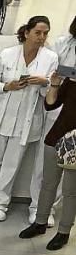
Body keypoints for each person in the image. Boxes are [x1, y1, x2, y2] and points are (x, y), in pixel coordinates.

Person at [0, 16, 56, 222]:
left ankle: (1, 204)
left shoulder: (50, 58)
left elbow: (51, 93)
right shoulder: (7, 54)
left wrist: (44, 82)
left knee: (12, 165)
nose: (41, 37)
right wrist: (7, 86)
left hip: (26, 120)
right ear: (27, 32)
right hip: (2, 116)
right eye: (38, 32)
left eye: (45, 33)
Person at [19, 69, 76, 251]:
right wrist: (55, 83)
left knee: (70, 190)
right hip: (57, 135)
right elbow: (50, 104)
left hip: (74, 142)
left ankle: (64, 232)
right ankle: (40, 222)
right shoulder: (72, 80)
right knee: (48, 183)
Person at [28, 15, 76, 227]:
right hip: (57, 107)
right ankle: (37, 208)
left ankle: (53, 212)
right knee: (45, 165)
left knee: (69, 175)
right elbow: (52, 74)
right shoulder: (63, 43)